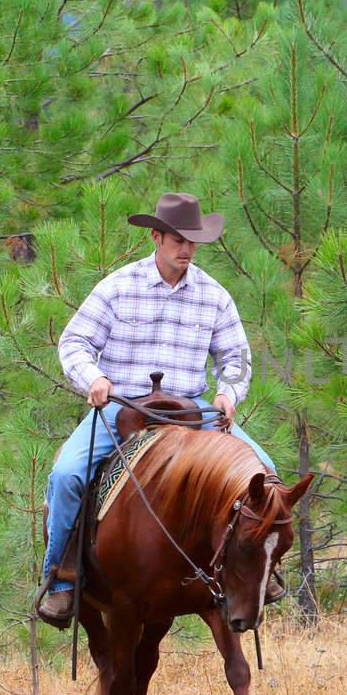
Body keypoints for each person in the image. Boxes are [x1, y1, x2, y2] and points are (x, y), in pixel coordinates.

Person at [37, 191, 279, 622]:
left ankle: (263, 571)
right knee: (66, 474)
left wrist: (228, 394)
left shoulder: (214, 295)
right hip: (123, 405)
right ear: (156, 236)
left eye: (192, 241)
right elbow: (74, 341)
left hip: (194, 411)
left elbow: (236, 357)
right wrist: (93, 379)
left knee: (265, 469)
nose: (186, 249)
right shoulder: (118, 286)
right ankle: (61, 580)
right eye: (177, 240)